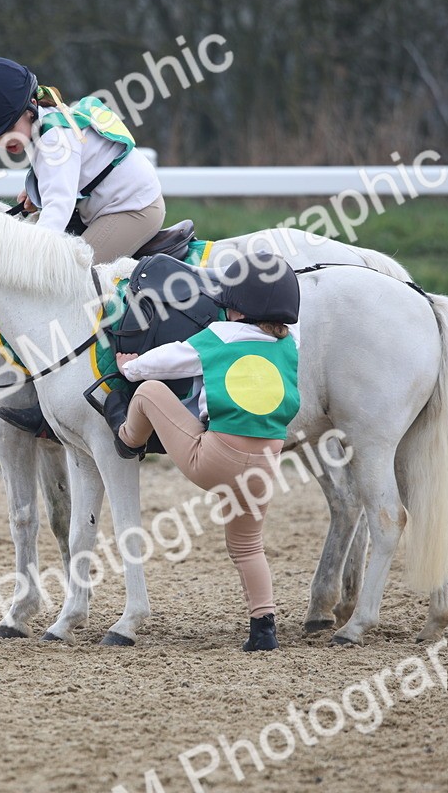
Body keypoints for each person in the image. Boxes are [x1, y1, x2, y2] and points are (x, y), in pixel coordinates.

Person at [0, 56, 168, 439]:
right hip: (102, 206)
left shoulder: (53, 136)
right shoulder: (46, 113)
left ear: (26, 111)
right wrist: (33, 189)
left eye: (2, 132)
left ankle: (84, 397)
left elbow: (56, 213)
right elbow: (58, 179)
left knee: (65, 286)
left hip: (133, 211)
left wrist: (22, 265)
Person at [103, 256, 301, 652]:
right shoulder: (289, 346)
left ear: (239, 307)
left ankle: (127, 438)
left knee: (148, 392)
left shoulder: (219, 335)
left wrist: (131, 367)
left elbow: (169, 360)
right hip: (266, 464)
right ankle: (263, 627)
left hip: (214, 459)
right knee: (247, 547)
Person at [0, 56, 166, 264]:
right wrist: (38, 192)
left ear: (31, 106)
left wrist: (27, 258)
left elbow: (58, 207)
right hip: (117, 203)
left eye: (9, 128)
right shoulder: (42, 120)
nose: (4, 140)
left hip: (134, 210)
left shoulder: (53, 140)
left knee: (71, 273)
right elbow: (60, 175)